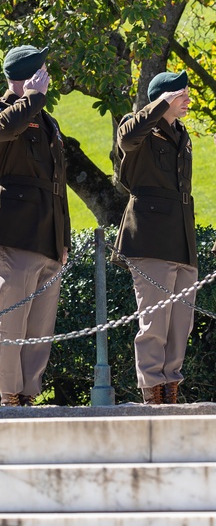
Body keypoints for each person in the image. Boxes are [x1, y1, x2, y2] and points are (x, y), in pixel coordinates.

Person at [0, 45, 71, 407]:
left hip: (47, 233)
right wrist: (32, 97)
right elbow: (1, 131)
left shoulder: (48, 121)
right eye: (43, 70)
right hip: (14, 231)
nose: (48, 75)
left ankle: (28, 393)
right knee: (12, 319)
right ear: (31, 75)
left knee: (39, 326)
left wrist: (62, 238)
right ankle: (8, 395)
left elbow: (58, 186)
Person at [115, 70, 195, 405]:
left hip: (180, 238)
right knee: (154, 321)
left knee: (181, 323)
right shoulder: (138, 127)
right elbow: (127, 139)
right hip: (149, 237)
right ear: (164, 98)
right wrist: (157, 106)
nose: (188, 99)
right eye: (181, 94)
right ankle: (152, 389)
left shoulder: (181, 133)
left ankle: (170, 386)